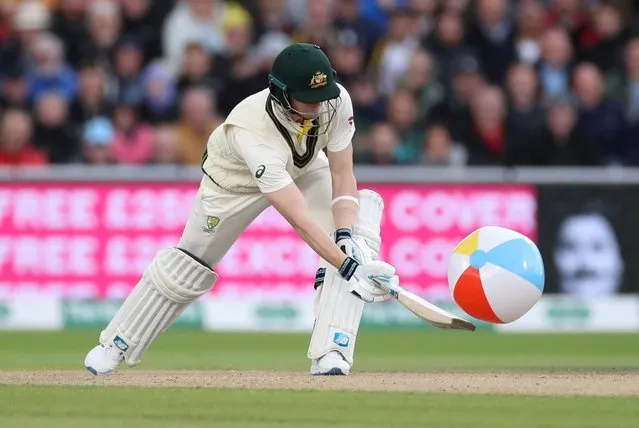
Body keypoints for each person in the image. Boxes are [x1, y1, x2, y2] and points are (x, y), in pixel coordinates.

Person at [84, 43, 397, 376]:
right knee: (187, 265)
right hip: (233, 185)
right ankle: (116, 344)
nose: (319, 105)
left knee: (352, 230)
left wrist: (347, 239)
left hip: (303, 166)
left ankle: (333, 350)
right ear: (282, 94)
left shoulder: (335, 100)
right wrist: (349, 266)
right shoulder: (252, 131)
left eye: (322, 95)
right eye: (308, 97)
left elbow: (342, 173)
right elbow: (299, 218)